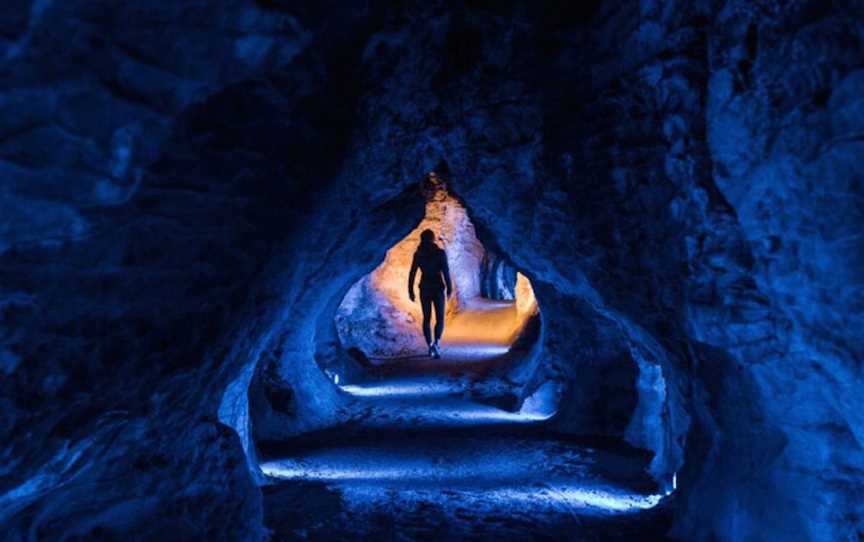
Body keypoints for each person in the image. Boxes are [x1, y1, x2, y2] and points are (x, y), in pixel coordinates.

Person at [408, 229, 453, 359]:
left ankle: (430, 345)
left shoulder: (418, 254)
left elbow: (412, 273)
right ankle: (437, 344)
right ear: (433, 239)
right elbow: (446, 272)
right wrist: (449, 288)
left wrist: (410, 290)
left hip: (425, 287)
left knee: (426, 318)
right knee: (440, 317)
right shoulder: (440, 253)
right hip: (437, 287)